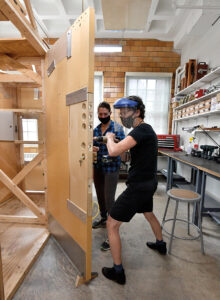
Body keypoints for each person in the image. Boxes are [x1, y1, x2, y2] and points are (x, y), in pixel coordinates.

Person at [102, 96, 167, 285]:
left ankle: (118, 271)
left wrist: (109, 139)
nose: (122, 116)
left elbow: (113, 152)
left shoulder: (141, 130)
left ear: (137, 112)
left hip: (138, 186)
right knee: (148, 213)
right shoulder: (143, 131)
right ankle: (160, 244)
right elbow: (124, 157)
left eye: (125, 112)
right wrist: (120, 146)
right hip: (148, 182)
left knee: (111, 225)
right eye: (120, 112)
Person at [93, 101, 125, 251]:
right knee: (100, 195)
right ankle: (103, 218)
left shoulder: (117, 128)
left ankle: (112, 232)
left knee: (109, 198)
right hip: (98, 166)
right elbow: (91, 146)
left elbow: (122, 146)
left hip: (111, 167)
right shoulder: (96, 129)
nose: (103, 116)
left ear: (110, 114)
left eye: (105, 114)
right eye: (100, 114)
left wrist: (112, 141)